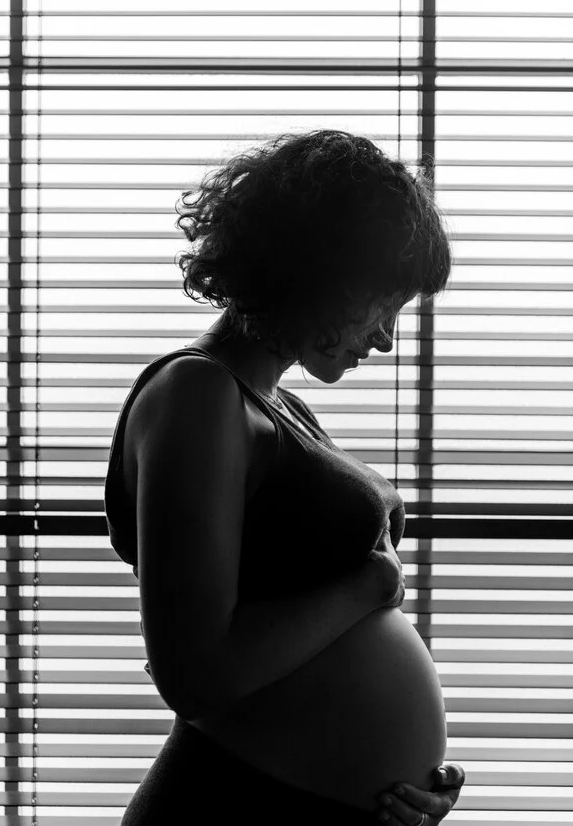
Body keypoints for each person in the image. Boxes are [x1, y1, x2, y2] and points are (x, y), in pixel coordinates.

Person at [104, 129, 466, 824]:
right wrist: (371, 584)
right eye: (383, 303)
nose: (387, 337)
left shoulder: (276, 404)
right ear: (326, 271)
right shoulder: (197, 396)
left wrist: (404, 782)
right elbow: (195, 674)